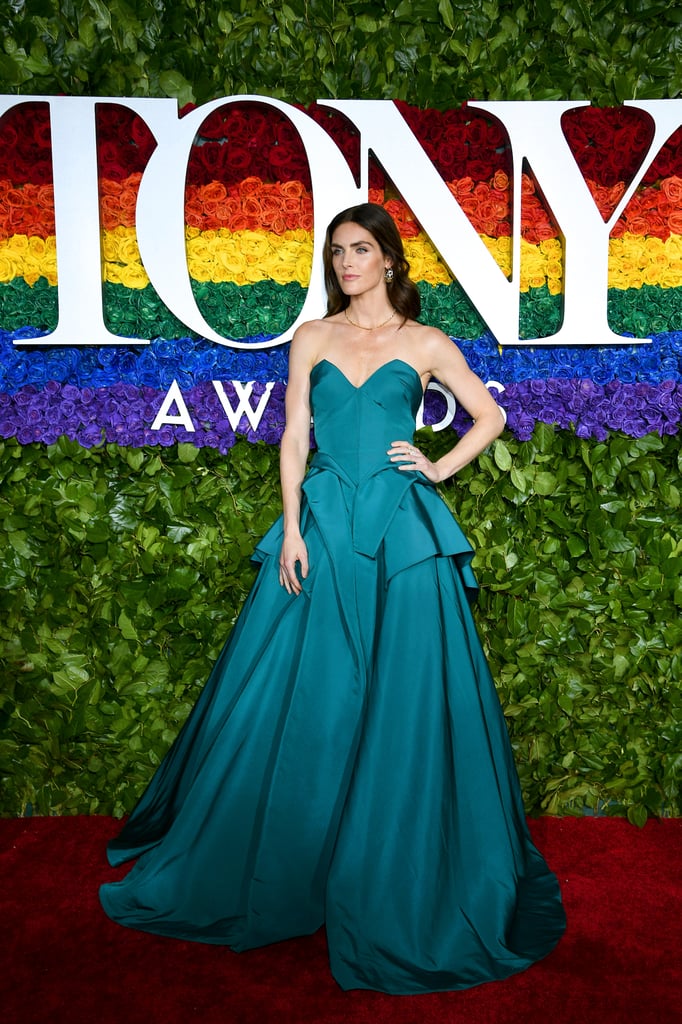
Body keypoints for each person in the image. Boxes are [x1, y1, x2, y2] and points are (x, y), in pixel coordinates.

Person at [100, 203, 566, 994]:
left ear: (390, 260)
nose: (346, 263)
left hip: (401, 538)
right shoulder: (312, 336)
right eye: (337, 252)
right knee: (308, 701)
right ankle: (287, 864)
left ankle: (389, 866)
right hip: (320, 524)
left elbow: (490, 416)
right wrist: (290, 529)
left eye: (360, 250)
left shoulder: (424, 344)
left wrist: (438, 468)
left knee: (401, 700)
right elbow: (293, 434)